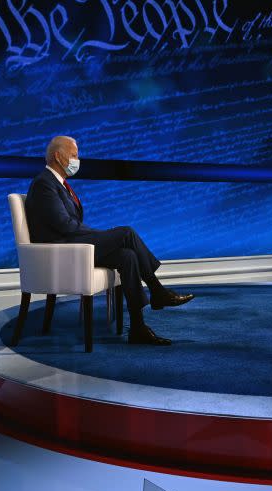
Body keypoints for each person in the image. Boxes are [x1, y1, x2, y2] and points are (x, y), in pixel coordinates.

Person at [25, 135, 193, 346]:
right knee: (126, 233)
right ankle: (158, 291)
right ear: (58, 156)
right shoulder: (44, 184)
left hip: (75, 246)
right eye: (74, 155)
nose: (78, 160)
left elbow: (70, 224)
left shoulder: (59, 184)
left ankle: (138, 328)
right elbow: (64, 225)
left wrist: (97, 236)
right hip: (63, 253)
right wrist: (98, 235)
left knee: (127, 256)